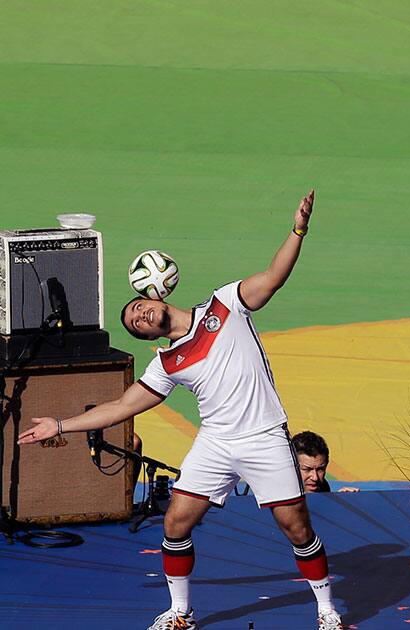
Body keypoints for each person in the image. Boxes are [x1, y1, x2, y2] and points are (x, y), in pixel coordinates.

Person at [18, 190, 344, 630]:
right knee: (174, 524)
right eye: (134, 322)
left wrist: (298, 228)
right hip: (217, 442)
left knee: (298, 529)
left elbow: (272, 277)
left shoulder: (224, 304)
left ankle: (326, 610)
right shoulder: (168, 363)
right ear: (146, 334)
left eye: (138, 308)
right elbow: (119, 407)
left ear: (156, 296)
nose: (139, 316)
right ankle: (181, 613)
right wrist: (60, 424)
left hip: (264, 435)